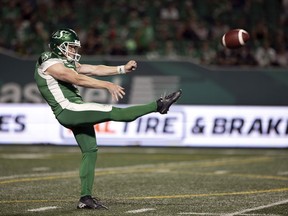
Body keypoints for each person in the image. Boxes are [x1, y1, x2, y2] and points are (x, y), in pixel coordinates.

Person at [34, 28, 182, 210]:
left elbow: (95, 69)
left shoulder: (66, 61)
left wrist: (122, 69)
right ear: (58, 46)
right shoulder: (47, 59)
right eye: (70, 47)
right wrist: (107, 85)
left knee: (90, 151)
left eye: (74, 47)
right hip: (69, 108)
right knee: (116, 112)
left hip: (72, 109)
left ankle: (85, 198)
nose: (73, 51)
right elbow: (73, 77)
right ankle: (159, 105)